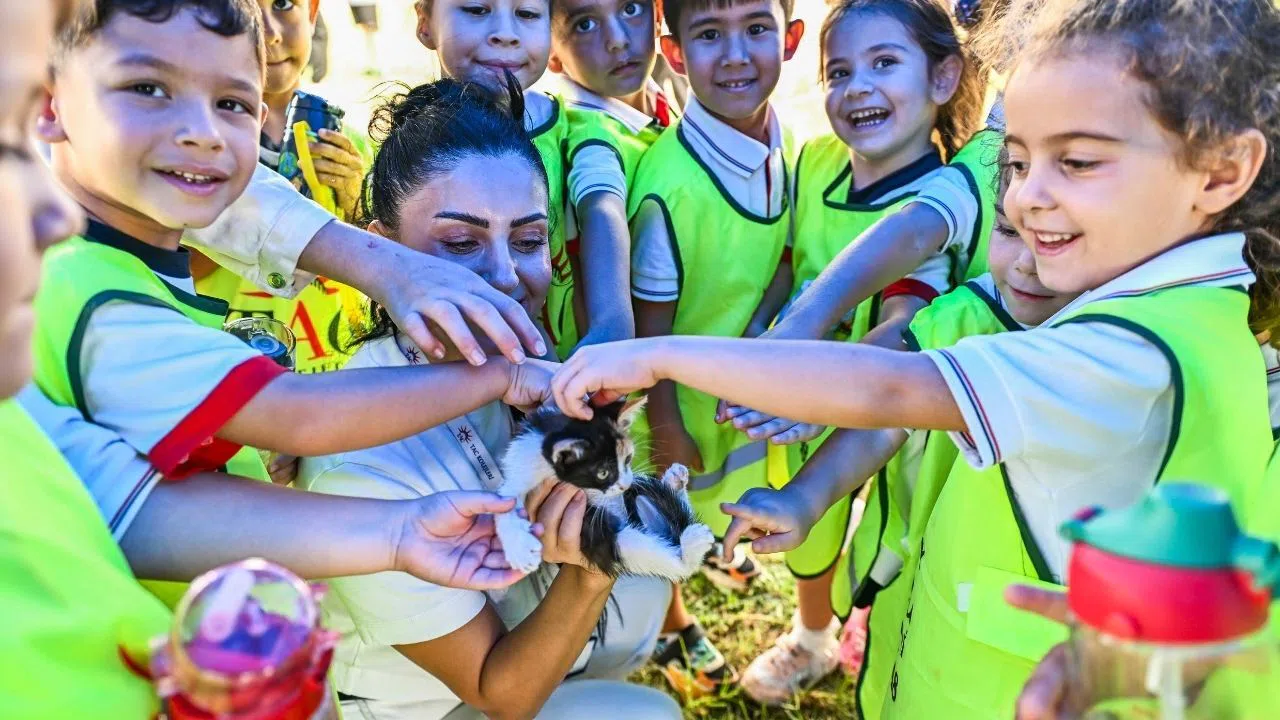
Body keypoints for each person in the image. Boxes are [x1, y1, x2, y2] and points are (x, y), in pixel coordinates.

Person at [552, 0, 1280, 715]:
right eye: (1018, 164)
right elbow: (904, 398)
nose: (1027, 199)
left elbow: (896, 391)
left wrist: (659, 356)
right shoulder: (1134, 302)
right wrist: (806, 499)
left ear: (1221, 171)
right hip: (953, 659)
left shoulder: (1136, 353)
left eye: (1079, 161)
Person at [0, 2, 526, 716]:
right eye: (148, 89)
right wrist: (510, 372)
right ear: (48, 108)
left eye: (231, 103)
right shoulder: (85, 291)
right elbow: (295, 416)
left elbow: (138, 510)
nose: (203, 133)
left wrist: (399, 532)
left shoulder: (127, 264)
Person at [297, 79, 678, 720]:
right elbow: (499, 692)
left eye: (528, 241)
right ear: (379, 250)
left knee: (643, 596)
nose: (506, 276)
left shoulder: (533, 367)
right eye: (460, 244)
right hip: (433, 704)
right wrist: (592, 569)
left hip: (525, 622)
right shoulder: (355, 463)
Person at [723, 179, 1077, 717]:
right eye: (1008, 230)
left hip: (1041, 647)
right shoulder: (969, 312)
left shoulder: (1118, 344)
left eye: (1059, 239)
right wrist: (805, 496)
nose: (1027, 263)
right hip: (918, 587)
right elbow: (890, 411)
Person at [726, 0, 991, 702]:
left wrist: (817, 386)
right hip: (801, 392)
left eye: (883, 64)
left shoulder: (938, 199)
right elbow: (789, 261)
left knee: (892, 533)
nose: (856, 88)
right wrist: (762, 335)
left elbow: (903, 320)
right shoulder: (814, 163)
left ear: (943, 78)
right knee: (807, 534)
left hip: (891, 409)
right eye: (838, 72)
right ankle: (812, 638)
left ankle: (884, 629)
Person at [621, 0, 805, 696]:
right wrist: (664, 424)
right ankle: (671, 621)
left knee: (720, 503)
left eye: (756, 29)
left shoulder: (784, 142)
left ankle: (717, 556)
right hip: (683, 411)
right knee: (667, 518)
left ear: (789, 40)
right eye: (708, 34)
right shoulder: (670, 186)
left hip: (740, 396)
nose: (735, 55)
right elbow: (651, 328)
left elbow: (777, 250)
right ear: (674, 54)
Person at [414, 0, 633, 358]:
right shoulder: (412, 148)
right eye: (476, 10)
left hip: (571, 381)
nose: (505, 34)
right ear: (425, 23)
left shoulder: (578, 130)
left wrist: (612, 326)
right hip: (455, 382)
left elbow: (602, 206)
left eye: (527, 14)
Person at [542, 0, 677, 355]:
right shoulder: (587, 130)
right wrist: (612, 325)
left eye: (631, 8)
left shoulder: (660, 97)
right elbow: (602, 207)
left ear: (659, 14)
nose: (617, 40)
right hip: (599, 366)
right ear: (551, 53)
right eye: (585, 24)